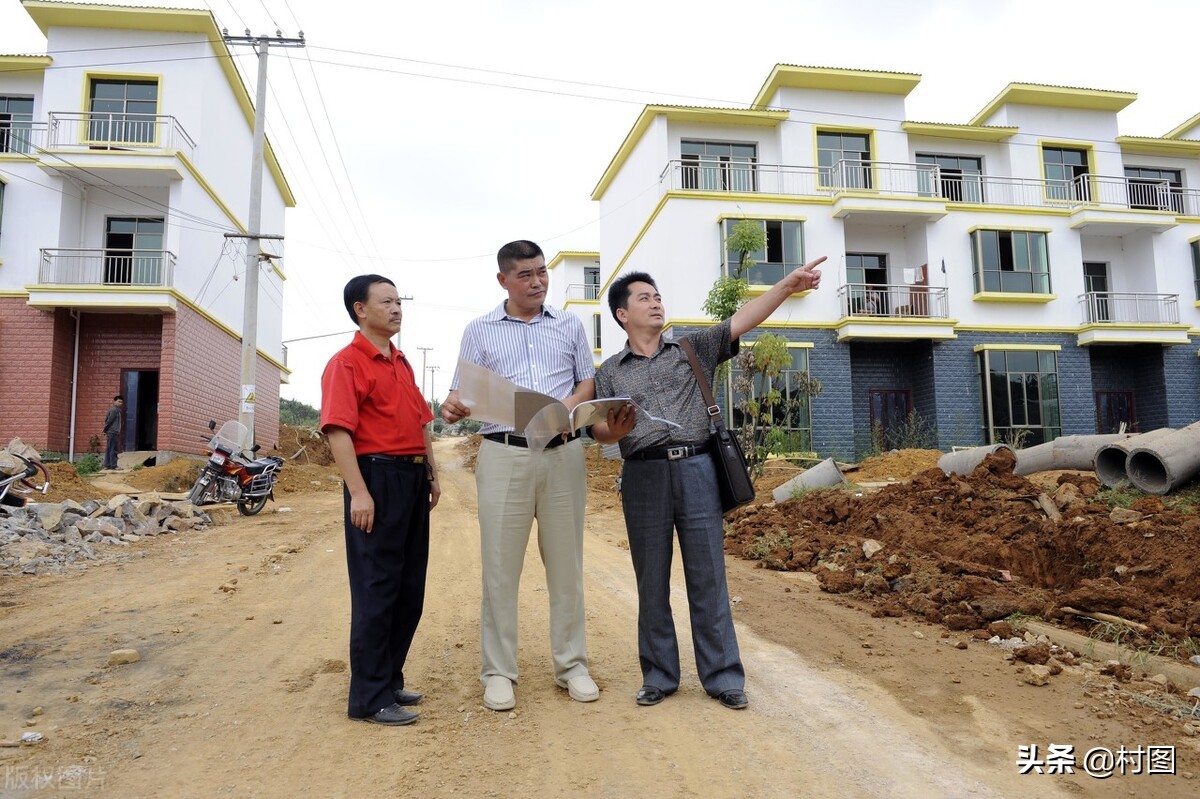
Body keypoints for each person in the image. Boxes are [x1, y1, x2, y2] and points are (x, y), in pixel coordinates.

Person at [591, 256, 825, 710]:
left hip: (698, 469)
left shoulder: (693, 348)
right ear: (622, 314)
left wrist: (786, 286)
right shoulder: (611, 372)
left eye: (658, 296)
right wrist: (613, 433)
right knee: (651, 580)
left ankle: (722, 676)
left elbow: (742, 319)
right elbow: (599, 430)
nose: (656, 303)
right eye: (645, 298)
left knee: (708, 577)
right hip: (643, 474)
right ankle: (658, 675)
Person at [440, 239, 599, 711]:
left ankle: (572, 665)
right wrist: (451, 407)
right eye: (526, 275)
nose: (537, 283)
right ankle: (498, 671)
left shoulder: (569, 324)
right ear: (503, 280)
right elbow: (462, 393)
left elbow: (585, 381)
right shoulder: (480, 329)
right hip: (503, 453)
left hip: (562, 453)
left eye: (542, 273)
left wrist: (561, 410)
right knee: (500, 567)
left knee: (567, 566)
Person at [320, 274, 441, 727]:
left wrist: (430, 470)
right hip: (377, 478)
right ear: (360, 309)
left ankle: (389, 679)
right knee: (376, 589)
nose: (396, 309)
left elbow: (422, 422)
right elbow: (337, 430)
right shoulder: (346, 363)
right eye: (386, 302)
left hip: (410, 479)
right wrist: (359, 492)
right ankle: (368, 698)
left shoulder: (402, 362)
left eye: (398, 302)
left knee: (409, 589)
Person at [103, 395, 124, 470]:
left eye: (121, 402)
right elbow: (109, 421)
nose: (120, 403)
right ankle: (114, 465)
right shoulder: (114, 410)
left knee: (109, 448)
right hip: (112, 432)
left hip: (111, 432)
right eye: (118, 401)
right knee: (113, 449)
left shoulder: (115, 410)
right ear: (114, 401)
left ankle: (107, 465)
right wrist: (105, 430)